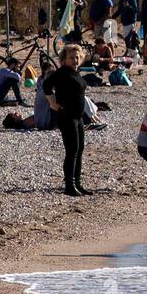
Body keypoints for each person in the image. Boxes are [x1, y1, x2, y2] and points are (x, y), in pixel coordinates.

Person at [45, 44, 91, 196]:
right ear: (64, 59)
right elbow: (46, 85)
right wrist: (53, 104)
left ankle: (77, 183)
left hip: (78, 117)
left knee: (79, 150)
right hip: (66, 117)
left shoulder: (75, 72)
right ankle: (69, 186)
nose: (75, 60)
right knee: (72, 151)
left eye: (77, 57)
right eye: (71, 57)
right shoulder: (62, 73)